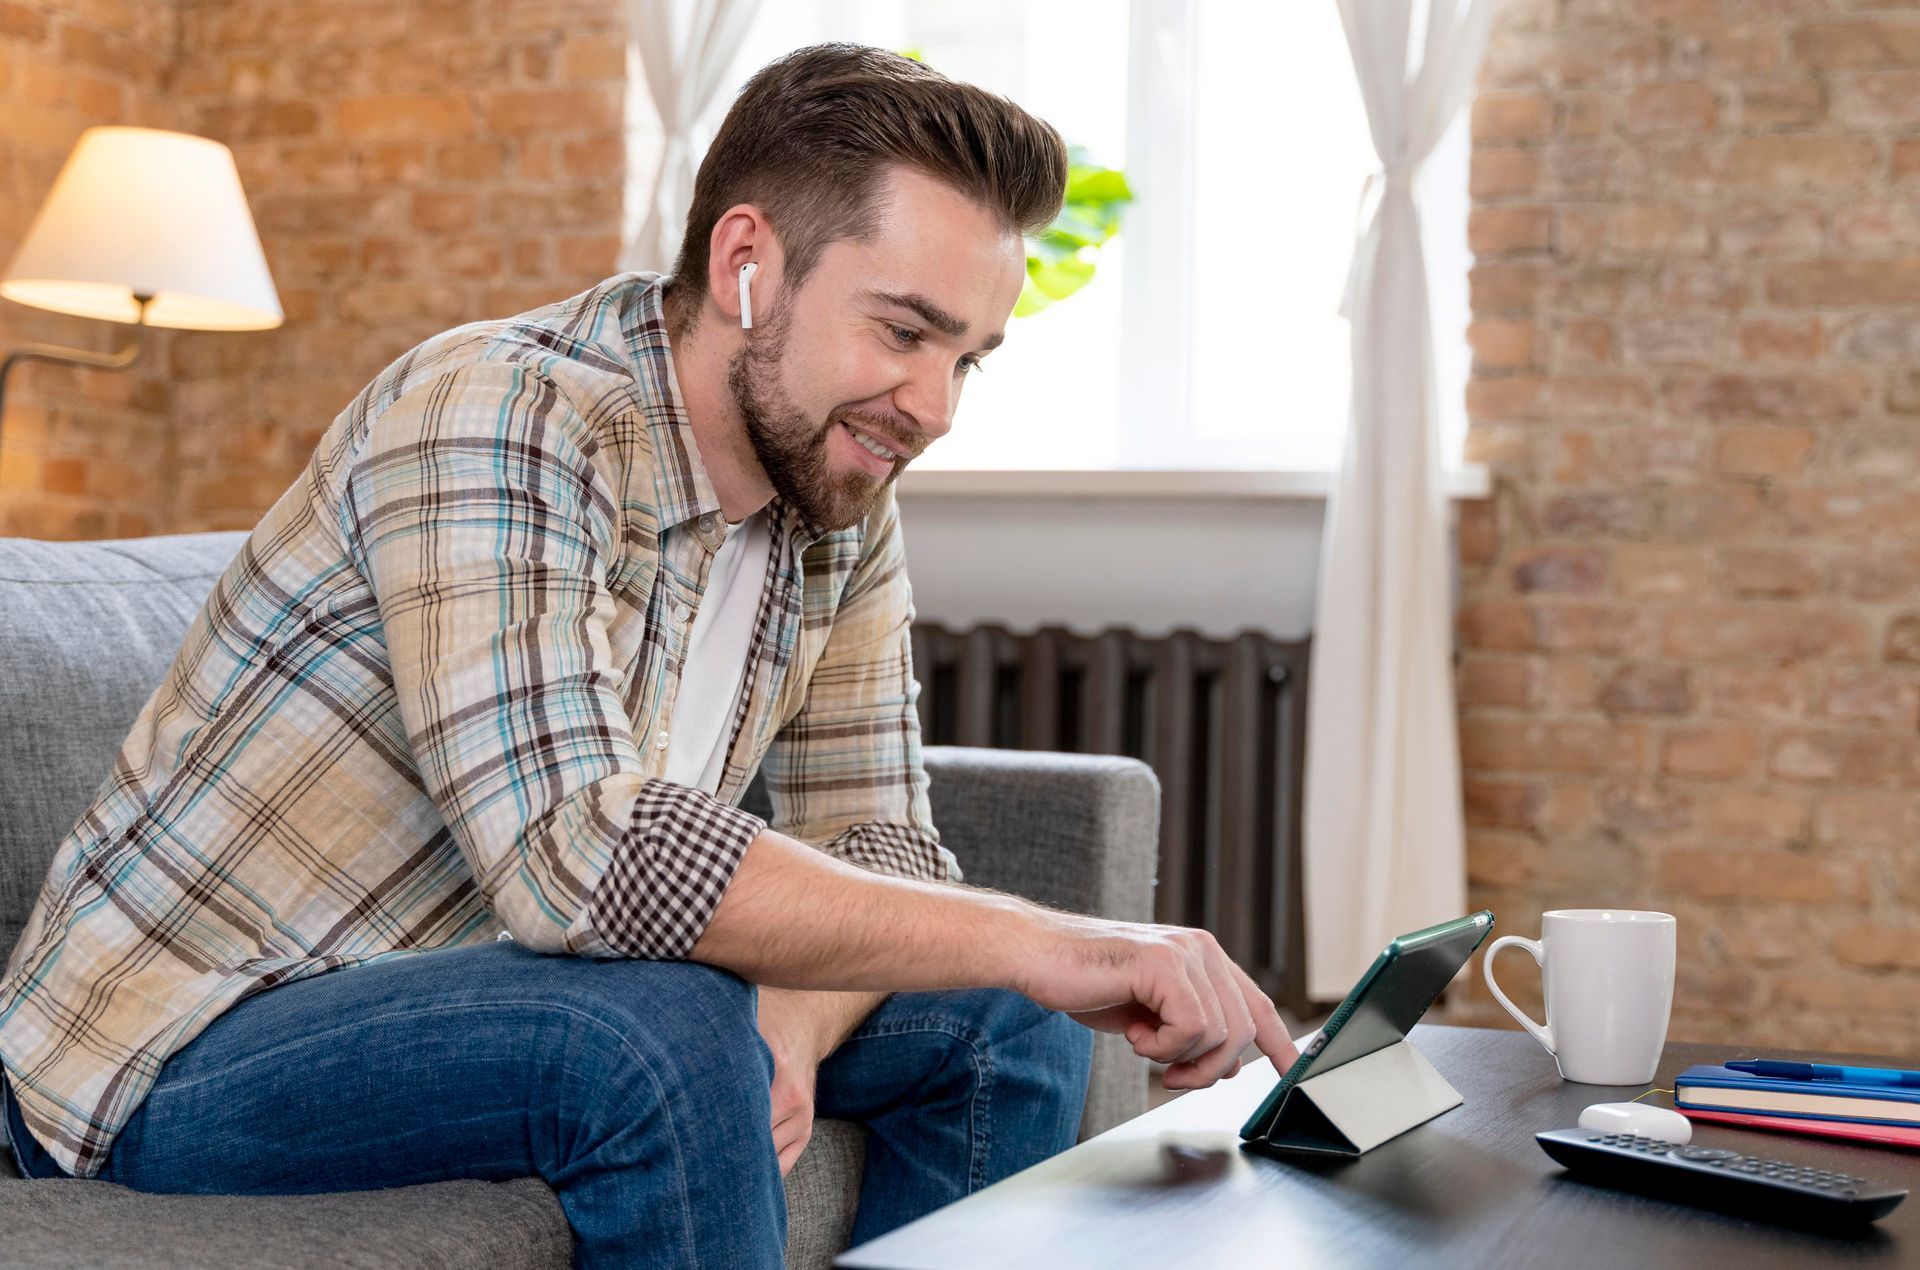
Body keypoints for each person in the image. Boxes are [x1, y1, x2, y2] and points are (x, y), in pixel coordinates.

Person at [0, 41, 1296, 1267]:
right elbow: (582, 856)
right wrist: (1031, 931)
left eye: (969, 356)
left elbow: (882, 843)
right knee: (662, 1021)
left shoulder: (842, 488)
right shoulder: (501, 411)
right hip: (182, 1041)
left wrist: (792, 1018)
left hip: (479, 1003)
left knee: (1000, 1015)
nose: (936, 407)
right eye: (904, 332)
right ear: (747, 262)